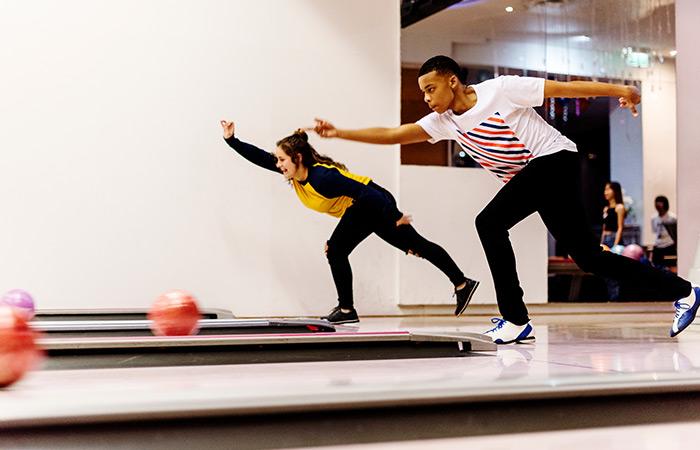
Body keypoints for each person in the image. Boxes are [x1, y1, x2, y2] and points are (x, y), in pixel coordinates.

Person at [310, 55, 699, 343]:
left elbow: (563, 90)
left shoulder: (503, 89)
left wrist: (623, 90)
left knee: (489, 222)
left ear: (453, 81)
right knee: (588, 257)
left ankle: (515, 317)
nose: (427, 98)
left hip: (556, 160)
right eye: (423, 92)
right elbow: (396, 134)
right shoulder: (444, 121)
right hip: (541, 176)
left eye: (431, 89)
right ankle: (685, 292)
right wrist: (340, 133)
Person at [220, 120, 479, 324]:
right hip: (365, 208)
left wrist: (394, 215)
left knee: (338, 249)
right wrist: (232, 140)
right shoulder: (295, 174)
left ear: (297, 158)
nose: (278, 164)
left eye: (282, 160)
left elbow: (367, 191)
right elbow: (259, 157)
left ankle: (346, 309)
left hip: (371, 203)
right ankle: (462, 283)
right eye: (277, 160)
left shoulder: (323, 178)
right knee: (414, 246)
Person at [600, 181, 626, 300]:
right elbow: (604, 229)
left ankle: (615, 296)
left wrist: (615, 244)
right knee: (605, 270)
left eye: (608, 189)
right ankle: (610, 296)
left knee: (615, 270)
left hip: (614, 239)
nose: (605, 192)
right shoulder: (606, 209)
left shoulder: (619, 207)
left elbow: (620, 227)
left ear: (614, 191)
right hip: (606, 239)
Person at [651, 195, 677, 268]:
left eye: (660, 203)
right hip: (658, 244)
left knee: (670, 266)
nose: (658, 205)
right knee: (655, 266)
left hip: (669, 244)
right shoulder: (653, 218)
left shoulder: (672, 217)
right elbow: (654, 231)